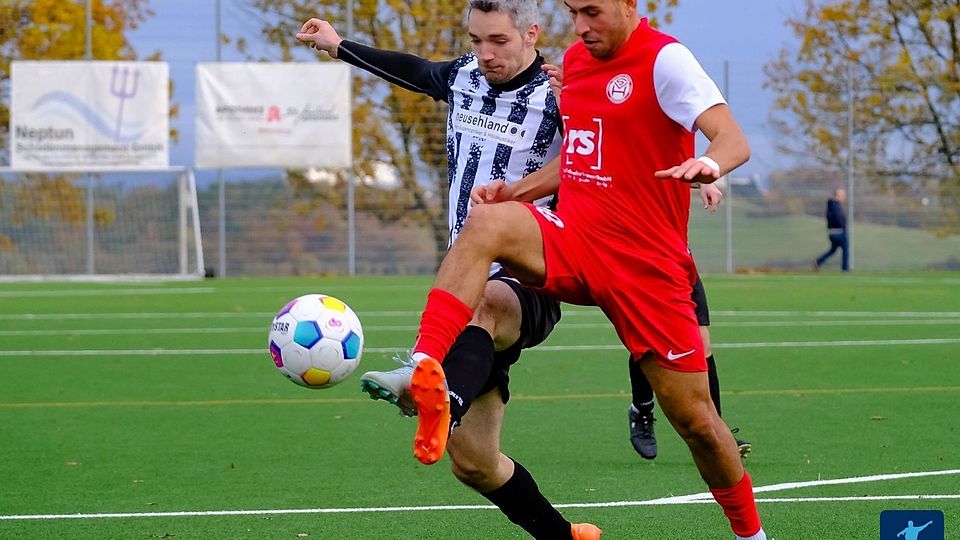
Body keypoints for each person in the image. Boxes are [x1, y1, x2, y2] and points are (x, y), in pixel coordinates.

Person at [402, 0, 768, 537]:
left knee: (698, 424)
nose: (580, 27)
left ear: (628, 5)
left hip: (646, 267)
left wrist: (710, 164)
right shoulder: (575, 62)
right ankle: (426, 363)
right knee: (486, 224)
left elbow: (732, 138)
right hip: (575, 239)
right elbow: (579, 157)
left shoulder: (666, 61)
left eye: (592, 11)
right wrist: (516, 192)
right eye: (573, 12)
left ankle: (752, 534)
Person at [296, 3, 603, 539]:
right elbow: (413, 70)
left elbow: (610, 149)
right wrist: (339, 45)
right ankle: (564, 537)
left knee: (485, 299)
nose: (486, 53)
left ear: (531, 34)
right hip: (467, 280)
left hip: (534, 268)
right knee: (476, 462)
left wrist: (705, 174)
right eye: (477, 40)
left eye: (499, 41)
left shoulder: (561, 96)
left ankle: (433, 388)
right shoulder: (464, 76)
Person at [627, 275, 753, 460]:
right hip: (638, 265)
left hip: (679, 263)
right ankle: (641, 409)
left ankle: (717, 431)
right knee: (647, 340)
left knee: (701, 342)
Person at [814, 188, 849, 271]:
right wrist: (843, 227)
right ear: (838, 196)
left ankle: (819, 261)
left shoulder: (831, 205)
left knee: (832, 250)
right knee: (846, 249)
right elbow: (838, 218)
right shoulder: (835, 206)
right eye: (843, 196)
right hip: (839, 231)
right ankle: (844, 268)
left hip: (832, 232)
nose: (844, 197)